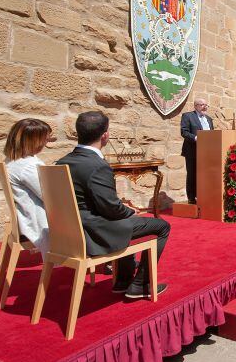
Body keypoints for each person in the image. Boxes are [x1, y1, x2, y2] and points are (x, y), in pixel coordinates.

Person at [57, 111, 169, 299]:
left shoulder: (62, 162)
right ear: (105, 135)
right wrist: (129, 209)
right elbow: (111, 209)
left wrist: (122, 210)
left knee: (125, 219)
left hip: (69, 233)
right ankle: (141, 285)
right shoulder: (98, 165)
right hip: (93, 233)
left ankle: (123, 281)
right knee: (162, 226)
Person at [3, 119, 52, 258]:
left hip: (25, 216)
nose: (46, 143)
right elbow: (50, 196)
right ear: (33, 140)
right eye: (44, 139)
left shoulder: (12, 161)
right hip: (39, 220)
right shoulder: (28, 166)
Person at [180, 98, 213, 204]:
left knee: (205, 174)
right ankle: (191, 197)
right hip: (192, 151)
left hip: (206, 151)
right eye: (202, 104)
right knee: (192, 174)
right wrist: (195, 138)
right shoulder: (188, 116)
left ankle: (203, 195)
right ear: (195, 106)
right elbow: (184, 132)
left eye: (206, 105)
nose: (205, 107)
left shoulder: (209, 119)